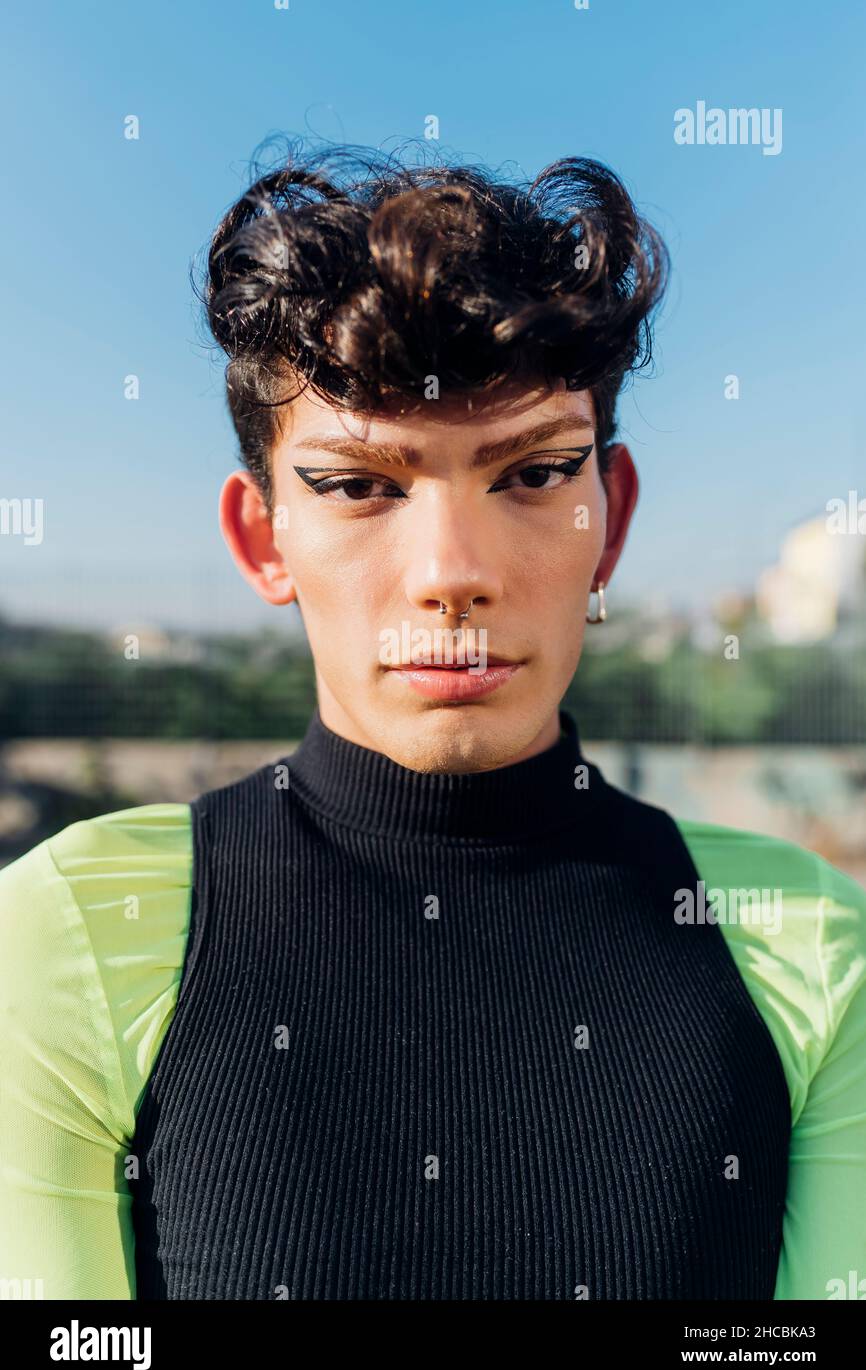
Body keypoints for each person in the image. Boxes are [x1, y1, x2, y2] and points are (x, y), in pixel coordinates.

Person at [1, 142, 864, 1301]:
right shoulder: (68, 930)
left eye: (530, 474)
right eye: (360, 484)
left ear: (604, 528)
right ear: (262, 540)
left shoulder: (809, 943)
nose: (450, 573)